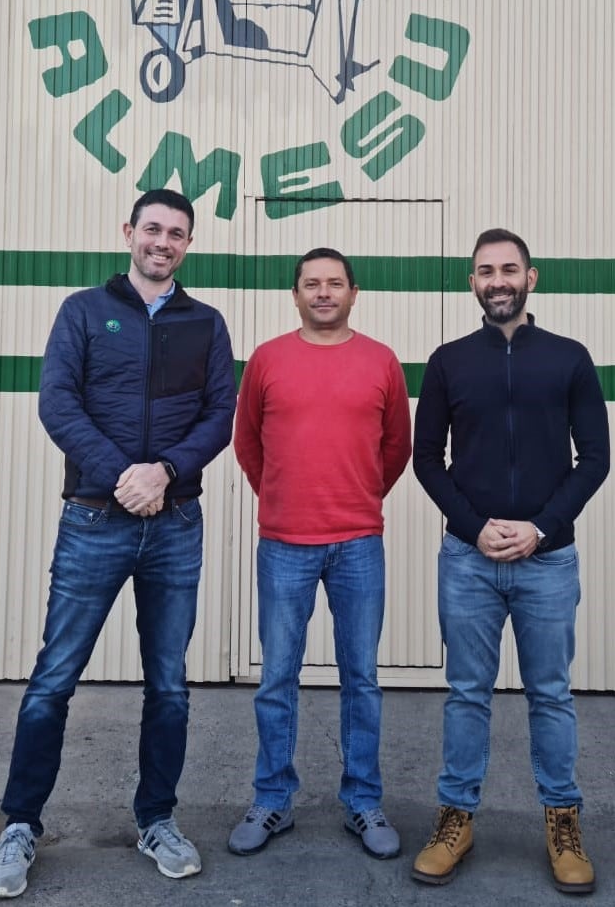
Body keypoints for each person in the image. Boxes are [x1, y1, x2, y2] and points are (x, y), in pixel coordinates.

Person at [0, 189, 236, 898]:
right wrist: (124, 475)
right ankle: (19, 826)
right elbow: (57, 402)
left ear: (188, 245)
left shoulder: (206, 323)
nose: (162, 242)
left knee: (169, 686)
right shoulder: (84, 312)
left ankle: (157, 819)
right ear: (128, 232)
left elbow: (220, 414)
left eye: (176, 233)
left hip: (175, 524)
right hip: (95, 518)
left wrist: (166, 471)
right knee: (54, 679)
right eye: (152, 228)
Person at [410, 228, 610, 895]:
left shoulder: (569, 358)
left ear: (531, 278)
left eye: (508, 269)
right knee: (467, 693)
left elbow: (595, 459)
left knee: (549, 694)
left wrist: (541, 528)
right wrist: (475, 529)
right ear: (471, 282)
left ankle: (563, 823)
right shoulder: (448, 362)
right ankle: (455, 819)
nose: (497, 280)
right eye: (485, 271)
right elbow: (425, 460)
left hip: (547, 561)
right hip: (468, 561)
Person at [226, 248, 412, 860]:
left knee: (362, 678)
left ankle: (363, 801)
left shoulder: (382, 361)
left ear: (354, 293)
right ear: (296, 294)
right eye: (312, 284)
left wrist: (359, 497)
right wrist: (284, 496)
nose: (324, 293)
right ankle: (272, 799)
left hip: (359, 542)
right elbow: (247, 442)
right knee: (277, 678)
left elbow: (396, 448)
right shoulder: (267, 359)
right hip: (284, 543)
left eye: (335, 283)